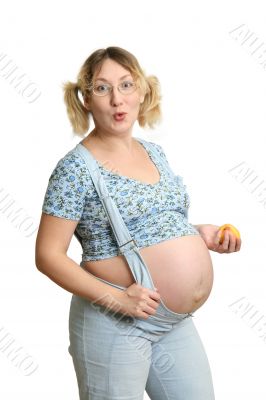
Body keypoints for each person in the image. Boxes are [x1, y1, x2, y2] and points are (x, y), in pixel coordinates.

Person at [35, 46, 241, 400]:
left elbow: (155, 225)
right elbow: (47, 255)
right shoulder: (75, 170)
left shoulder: (154, 152)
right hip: (116, 322)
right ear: (86, 98)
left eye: (126, 85)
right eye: (102, 88)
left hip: (170, 321)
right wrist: (118, 300)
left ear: (142, 91)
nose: (117, 99)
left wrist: (199, 233)